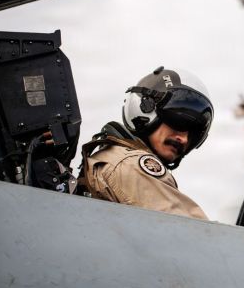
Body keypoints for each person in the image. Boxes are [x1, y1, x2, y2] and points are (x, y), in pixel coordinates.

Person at [81, 66, 213, 220]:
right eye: (179, 123)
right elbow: (197, 235)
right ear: (146, 108)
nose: (183, 139)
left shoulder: (112, 157)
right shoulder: (130, 164)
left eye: (192, 133)